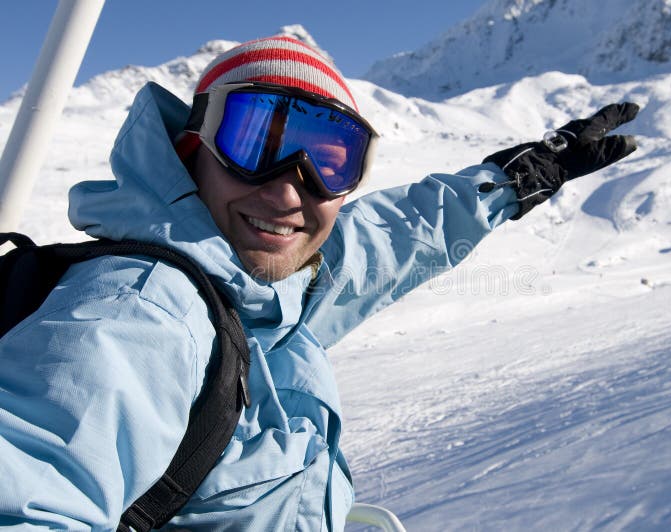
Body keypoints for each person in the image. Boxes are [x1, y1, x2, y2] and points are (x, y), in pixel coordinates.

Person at [0, 35, 638, 530]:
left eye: (327, 159)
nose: (287, 189)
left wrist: (515, 180)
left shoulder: (261, 290)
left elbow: (390, 239)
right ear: (191, 151)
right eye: (254, 141)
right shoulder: (141, 314)